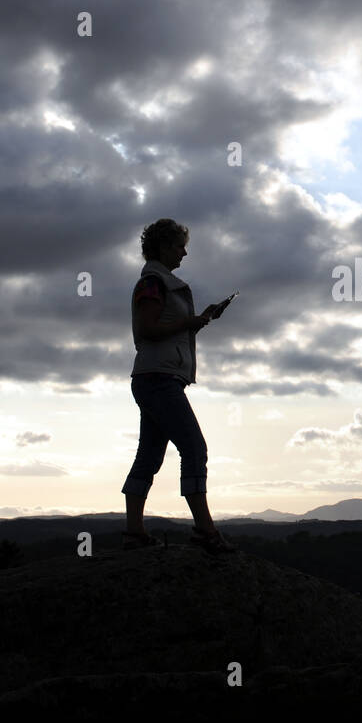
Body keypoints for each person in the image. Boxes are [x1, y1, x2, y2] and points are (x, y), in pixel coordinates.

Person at [120, 218, 237, 555]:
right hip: (158, 379)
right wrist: (189, 321)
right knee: (194, 448)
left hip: (156, 377)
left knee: (149, 455)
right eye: (178, 245)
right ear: (161, 247)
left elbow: (163, 332)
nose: (184, 252)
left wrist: (198, 321)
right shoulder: (154, 283)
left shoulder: (158, 283)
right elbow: (149, 329)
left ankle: (134, 533)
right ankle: (204, 530)